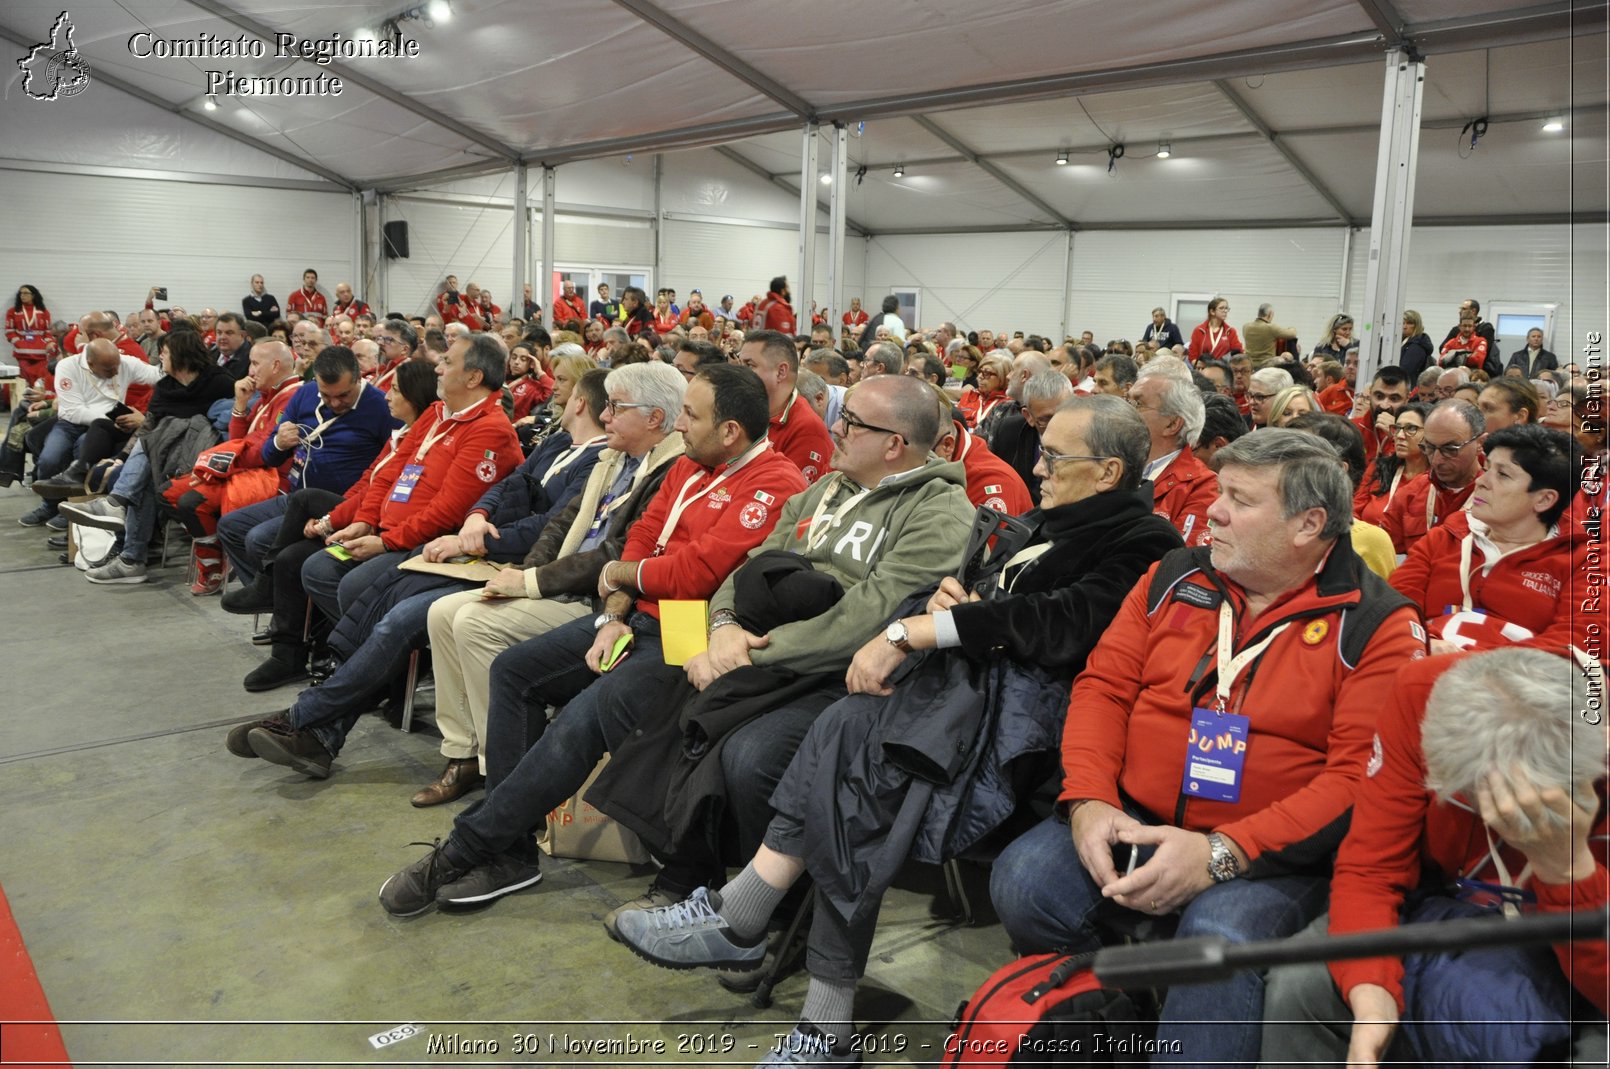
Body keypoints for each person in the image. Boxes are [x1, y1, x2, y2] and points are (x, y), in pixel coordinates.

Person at [610, 395, 1183, 1065]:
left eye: (1055, 456)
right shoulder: (1039, 520)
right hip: (951, 704)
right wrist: (955, 600)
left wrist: (927, 626)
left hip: (1014, 734)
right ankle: (796, 988)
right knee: (845, 744)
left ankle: (757, 928)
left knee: (848, 763)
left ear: (1109, 471)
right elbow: (987, 604)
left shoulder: (1145, 542)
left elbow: (1060, 624)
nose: (1040, 466)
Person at [988, 429, 1424, 1067]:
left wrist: (1224, 853)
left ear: (1309, 524)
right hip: (1135, 812)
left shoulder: (1376, 624)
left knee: (1217, 938)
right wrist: (1086, 799)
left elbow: (1357, 781)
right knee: (1027, 883)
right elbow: (1103, 689)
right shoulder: (1173, 577)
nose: (1213, 511)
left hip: (1278, 856)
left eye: (1239, 500)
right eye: (1219, 491)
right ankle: (1111, 1031)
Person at [375, 362, 808, 914]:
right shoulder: (692, 467)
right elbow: (642, 536)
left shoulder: (774, 482)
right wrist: (614, 614)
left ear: (730, 431)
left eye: (691, 415)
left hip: (691, 631)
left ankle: (465, 849)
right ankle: (510, 853)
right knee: (515, 671)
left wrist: (620, 579)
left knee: (585, 716)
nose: (679, 424)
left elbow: (697, 575)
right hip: (637, 617)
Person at [230, 369, 610, 781]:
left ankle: (307, 716)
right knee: (373, 591)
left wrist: (466, 539)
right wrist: (477, 517)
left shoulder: (590, 457)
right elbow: (502, 485)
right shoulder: (555, 442)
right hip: (477, 547)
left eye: (448, 364)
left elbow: (550, 527)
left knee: (399, 614)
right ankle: (323, 727)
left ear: (580, 403)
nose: (441, 372)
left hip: (512, 565)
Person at [1260, 648, 1607, 1068]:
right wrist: (1373, 997)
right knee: (1300, 985)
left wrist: (1568, 868)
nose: (1498, 816)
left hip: (1581, 941)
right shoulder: (1424, 693)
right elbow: (1371, 868)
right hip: (1444, 908)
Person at [416, 360, 687, 802]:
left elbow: (614, 556)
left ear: (654, 418)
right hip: (558, 580)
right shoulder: (614, 457)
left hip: (593, 596)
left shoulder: (668, 470)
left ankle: (499, 766)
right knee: (441, 612)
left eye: (616, 407)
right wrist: (526, 573)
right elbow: (560, 525)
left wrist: (534, 581)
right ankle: (463, 751)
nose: (604, 416)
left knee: (472, 623)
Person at [239, 335, 522, 690]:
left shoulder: (489, 430)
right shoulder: (438, 413)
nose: (437, 366)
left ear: (473, 377)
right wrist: (363, 521)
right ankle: (362, 659)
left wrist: (386, 542)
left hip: (430, 545)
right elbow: (387, 475)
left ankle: (371, 669)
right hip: (389, 530)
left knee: (346, 580)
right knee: (311, 564)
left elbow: (449, 512)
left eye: (447, 361)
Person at [215, 348, 399, 604]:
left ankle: (283, 607)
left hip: (338, 503)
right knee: (230, 527)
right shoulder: (305, 394)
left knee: (259, 540)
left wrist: (341, 513)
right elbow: (270, 456)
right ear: (317, 383)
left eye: (343, 395)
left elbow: (389, 469)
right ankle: (274, 601)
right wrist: (279, 443)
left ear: (359, 379)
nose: (335, 403)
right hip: (294, 496)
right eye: (327, 395)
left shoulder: (381, 407)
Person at [59, 331, 236, 584]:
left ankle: (126, 542)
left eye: (164, 352)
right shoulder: (165, 388)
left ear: (181, 354)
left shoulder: (219, 382)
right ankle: (129, 554)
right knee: (144, 475)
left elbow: (232, 423)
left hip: (204, 457)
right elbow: (147, 428)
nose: (160, 356)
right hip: (165, 456)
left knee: (155, 444)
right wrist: (120, 457)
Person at [1389, 424, 1584, 652]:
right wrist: (1426, 644)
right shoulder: (1445, 536)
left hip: (1516, 681)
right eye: (1487, 468)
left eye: (1502, 474)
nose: (1481, 481)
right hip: (1421, 662)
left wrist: (1466, 662)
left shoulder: (1583, 561)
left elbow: (1576, 643)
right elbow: (1395, 606)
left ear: (1544, 500)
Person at [1381, 399, 1485, 557]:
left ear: (1480, 443)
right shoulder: (1411, 494)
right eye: (1429, 448)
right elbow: (1384, 552)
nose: (1436, 460)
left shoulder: (1496, 501)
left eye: (1450, 449)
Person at [1129, 356, 1214, 546]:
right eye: (1128, 401)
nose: (1125, 410)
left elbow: (1180, 564)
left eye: (1138, 404)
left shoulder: (1202, 487)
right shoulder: (1110, 464)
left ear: (1172, 424)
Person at [734, 330, 835, 484]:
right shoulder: (743, 409)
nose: (740, 373)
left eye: (749, 365)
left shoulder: (806, 428)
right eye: (740, 364)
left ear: (781, 372)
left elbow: (789, 497)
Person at [1355, 401, 1430, 527]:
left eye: (1411, 428)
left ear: (1431, 434)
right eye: (1397, 428)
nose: (1400, 436)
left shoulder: (1436, 482)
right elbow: (1354, 511)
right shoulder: (1379, 468)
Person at [6, 284, 53, 384]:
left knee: (40, 378)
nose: (22, 295)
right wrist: (18, 342)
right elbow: (9, 331)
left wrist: (48, 343)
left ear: (33, 295)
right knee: (25, 378)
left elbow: (48, 331)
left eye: (26, 293)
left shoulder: (44, 312)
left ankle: (39, 397)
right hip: (22, 352)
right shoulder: (13, 311)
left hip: (41, 353)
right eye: (21, 293)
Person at [958, 352, 1011, 429]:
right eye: (980, 371)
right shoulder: (969, 395)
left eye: (986, 373)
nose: (980, 377)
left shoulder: (1009, 404)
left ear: (1002, 376)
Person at [1187, 297, 1241, 362]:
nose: (1225, 311)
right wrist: (1198, 365)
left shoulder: (1230, 331)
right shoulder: (1199, 330)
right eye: (1221, 308)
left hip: (1222, 369)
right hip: (1203, 368)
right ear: (1212, 311)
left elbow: (1238, 351)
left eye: (1226, 308)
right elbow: (1192, 355)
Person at [1399, 309, 1434, 382]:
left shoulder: (1417, 345)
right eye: (1403, 323)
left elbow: (1406, 370)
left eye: (1409, 323)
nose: (1404, 327)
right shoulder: (1404, 342)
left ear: (1417, 325)